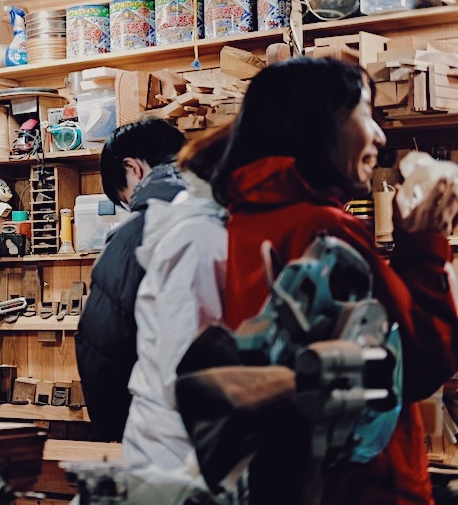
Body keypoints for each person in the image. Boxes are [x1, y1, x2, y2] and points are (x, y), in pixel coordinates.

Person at [210, 56, 458, 504]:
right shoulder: (325, 226)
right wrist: (426, 244)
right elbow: (415, 365)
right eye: (365, 113)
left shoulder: (247, 218)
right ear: (316, 123)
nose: (380, 135)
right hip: (362, 484)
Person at [121, 126, 230, 503]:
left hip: (173, 444)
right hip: (172, 450)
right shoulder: (199, 240)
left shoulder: (203, 232)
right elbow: (183, 368)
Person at [76, 117, 188, 442]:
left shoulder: (135, 235)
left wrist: (114, 427)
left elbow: (104, 347)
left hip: (159, 429)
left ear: (134, 169)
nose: (130, 208)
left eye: (125, 199)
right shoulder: (227, 214)